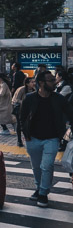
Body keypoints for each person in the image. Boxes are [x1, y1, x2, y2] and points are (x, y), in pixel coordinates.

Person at [20, 70, 73, 207]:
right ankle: (39, 188)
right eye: (51, 80)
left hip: (52, 138)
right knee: (37, 167)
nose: (55, 82)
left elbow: (70, 114)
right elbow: (22, 118)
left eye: (54, 79)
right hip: (33, 138)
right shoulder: (30, 98)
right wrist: (26, 135)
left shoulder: (59, 99)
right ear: (41, 83)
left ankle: (43, 193)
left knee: (47, 165)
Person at [12, 77, 35, 147]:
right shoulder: (21, 89)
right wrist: (25, 102)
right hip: (19, 108)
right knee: (20, 124)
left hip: (28, 109)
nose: (34, 83)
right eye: (32, 82)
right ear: (27, 83)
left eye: (34, 82)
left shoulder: (34, 90)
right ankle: (19, 140)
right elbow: (16, 99)